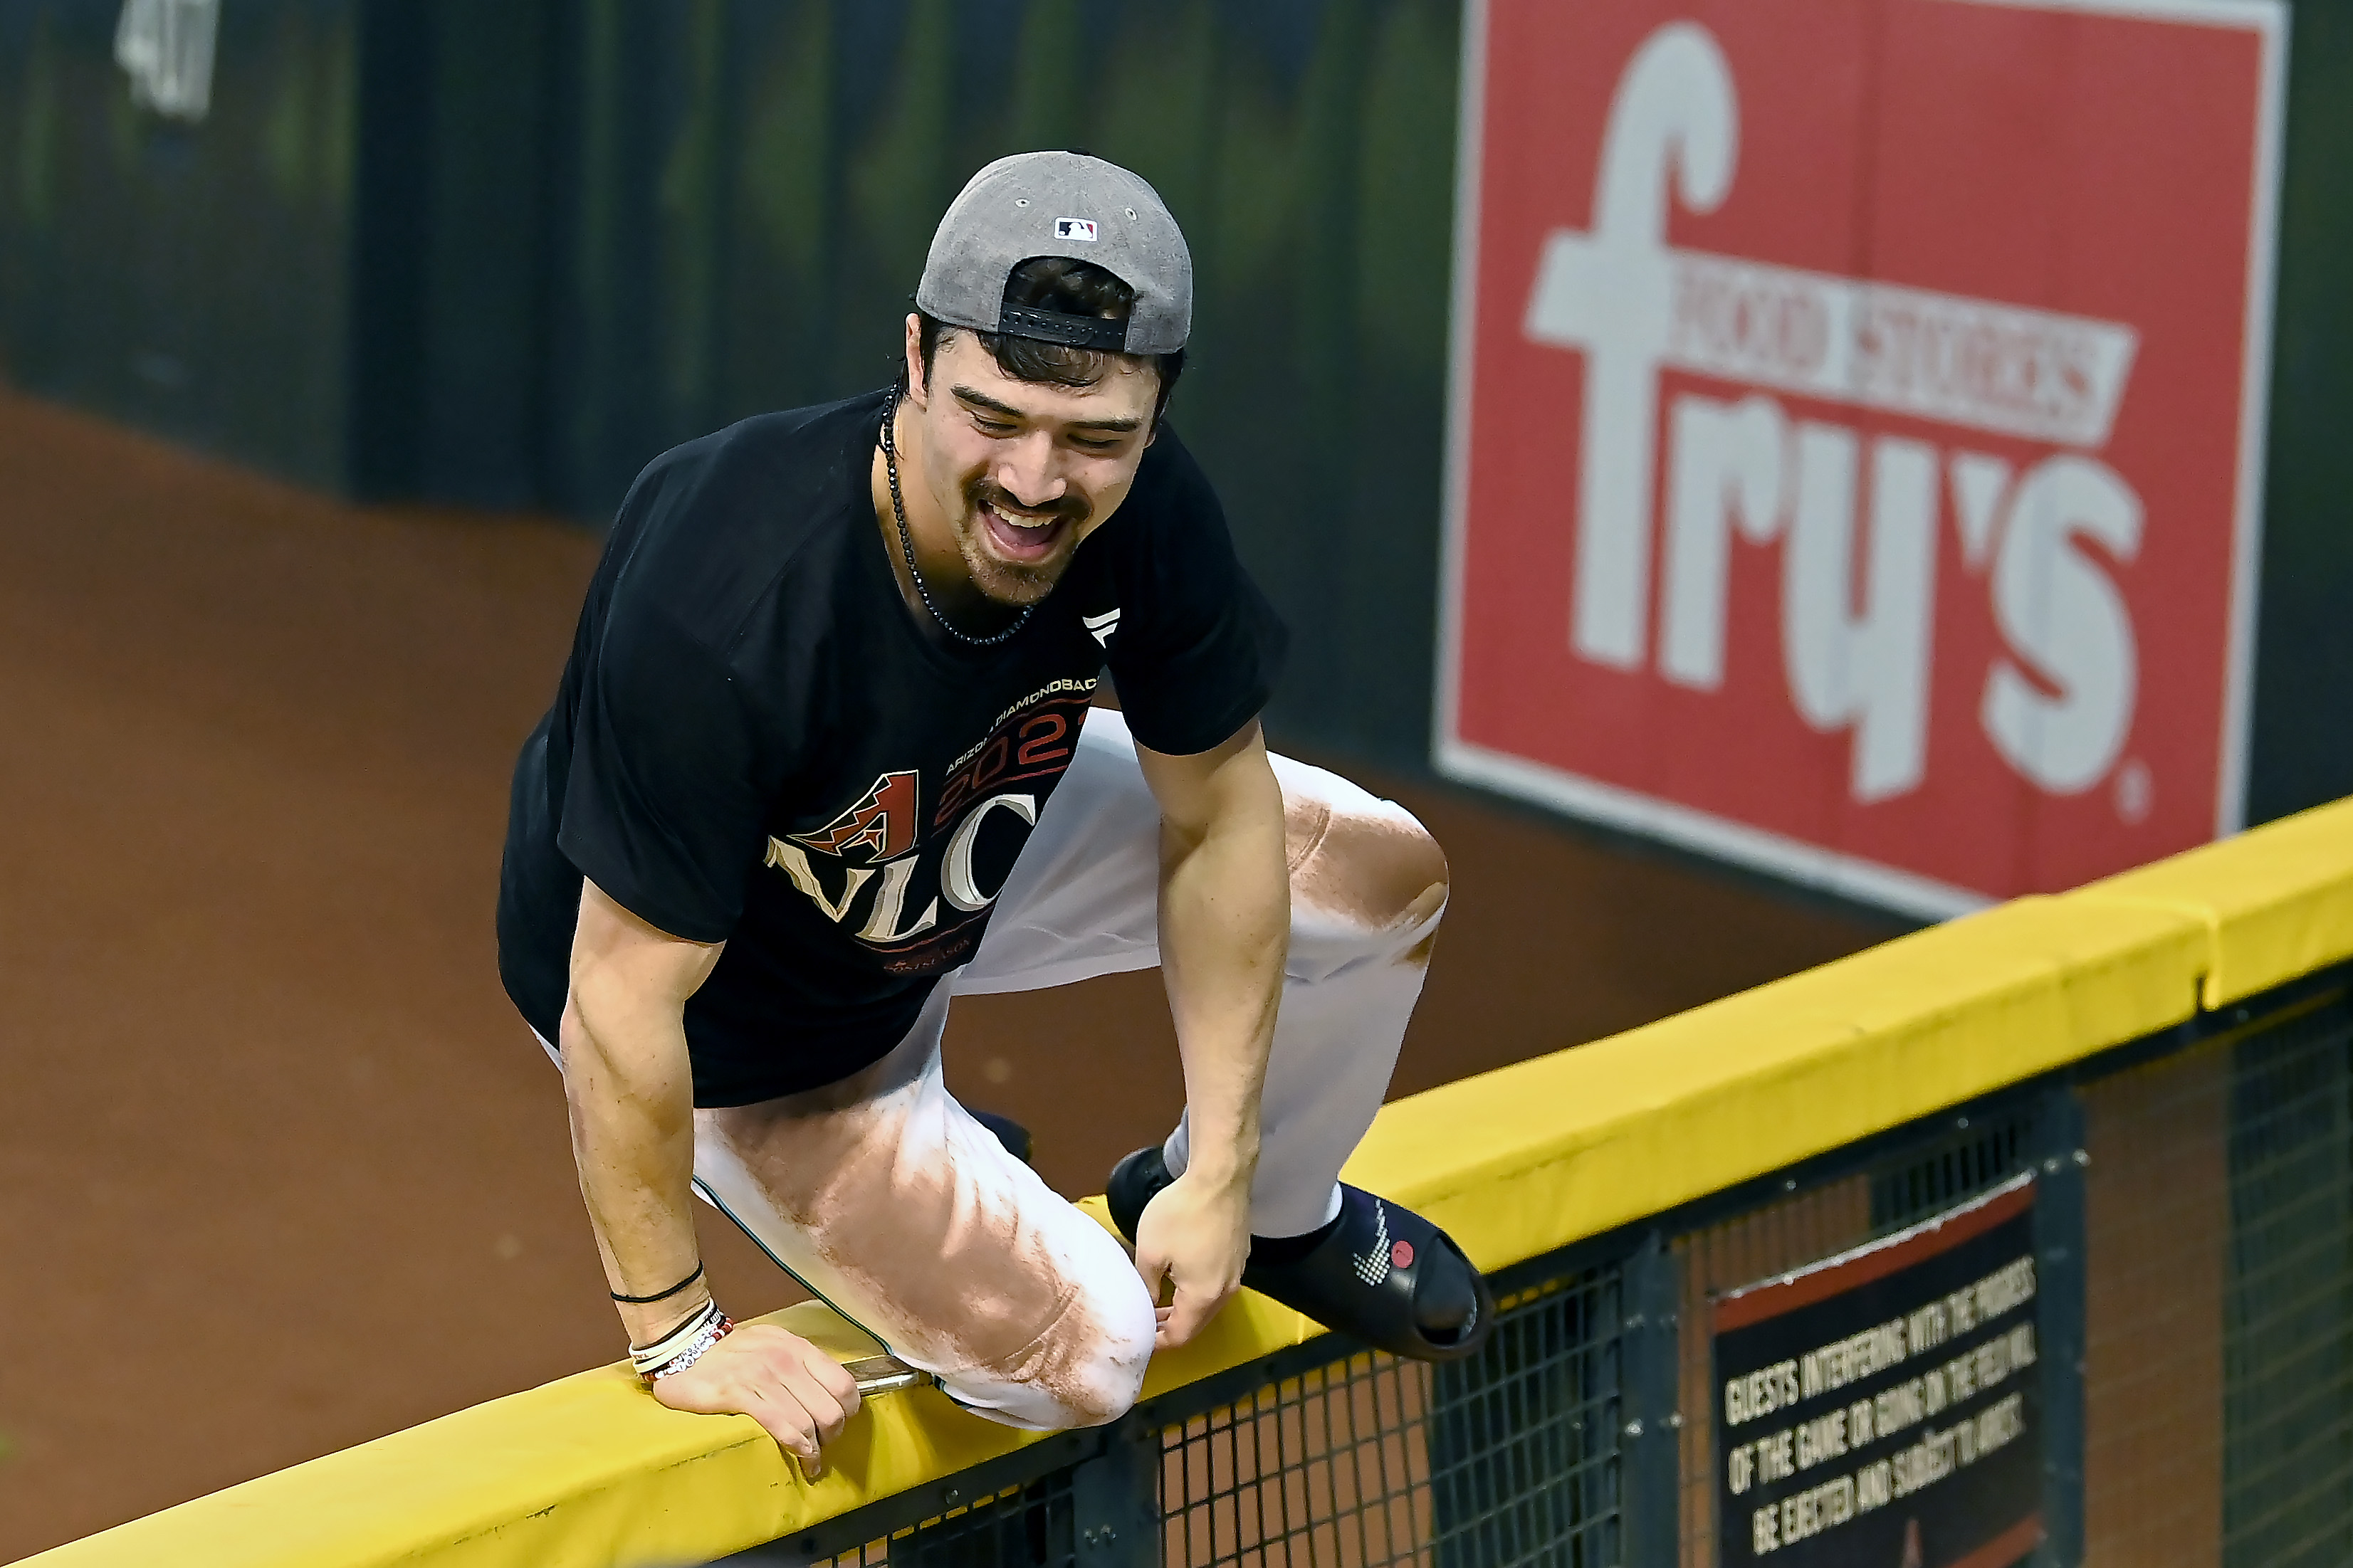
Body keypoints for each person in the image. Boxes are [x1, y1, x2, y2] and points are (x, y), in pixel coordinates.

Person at [496, 150, 1493, 1479]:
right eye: (992, 416)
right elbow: (619, 1000)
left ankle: (1271, 1212)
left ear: (1155, 412)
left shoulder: (1148, 507)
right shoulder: (726, 588)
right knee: (1093, 1357)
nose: (1034, 481)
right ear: (912, 358)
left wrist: (1223, 1166)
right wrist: (676, 1333)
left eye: (1094, 440)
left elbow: (1219, 820)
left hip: (962, 826)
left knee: (1383, 885)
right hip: (748, 1019)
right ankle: (904, 1164)